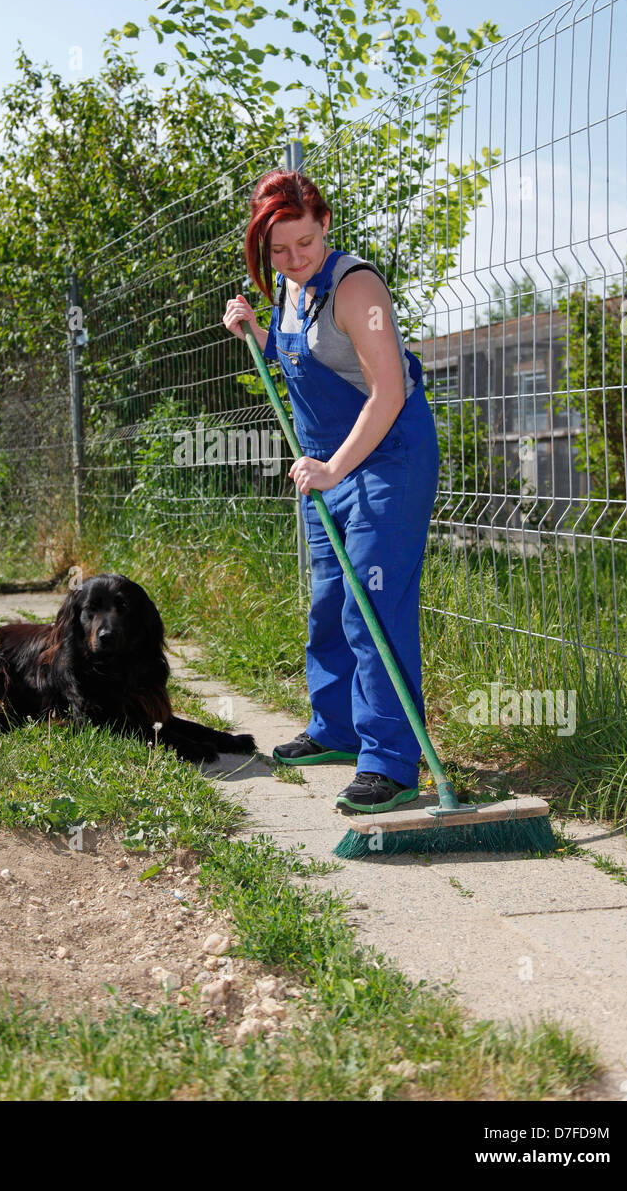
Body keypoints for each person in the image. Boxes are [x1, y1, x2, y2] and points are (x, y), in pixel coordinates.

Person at [222, 169, 440, 814]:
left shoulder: (357, 287)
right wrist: (256, 335)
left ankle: (392, 764)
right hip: (330, 466)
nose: (293, 260)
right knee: (328, 604)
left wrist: (334, 469)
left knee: (371, 607)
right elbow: (309, 363)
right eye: (278, 250)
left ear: (325, 227)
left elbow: (388, 392)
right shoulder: (290, 290)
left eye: (306, 245)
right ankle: (338, 731)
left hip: (385, 460)